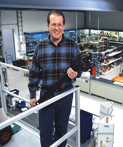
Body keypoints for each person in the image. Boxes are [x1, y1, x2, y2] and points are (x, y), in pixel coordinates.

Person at [28, 10, 82, 147]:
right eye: (53, 24)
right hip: (46, 94)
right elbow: (34, 73)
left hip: (65, 95)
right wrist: (32, 94)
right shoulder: (40, 48)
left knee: (62, 130)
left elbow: (80, 70)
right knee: (45, 132)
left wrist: (75, 72)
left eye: (59, 24)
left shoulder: (73, 46)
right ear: (48, 26)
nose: (56, 28)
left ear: (64, 26)